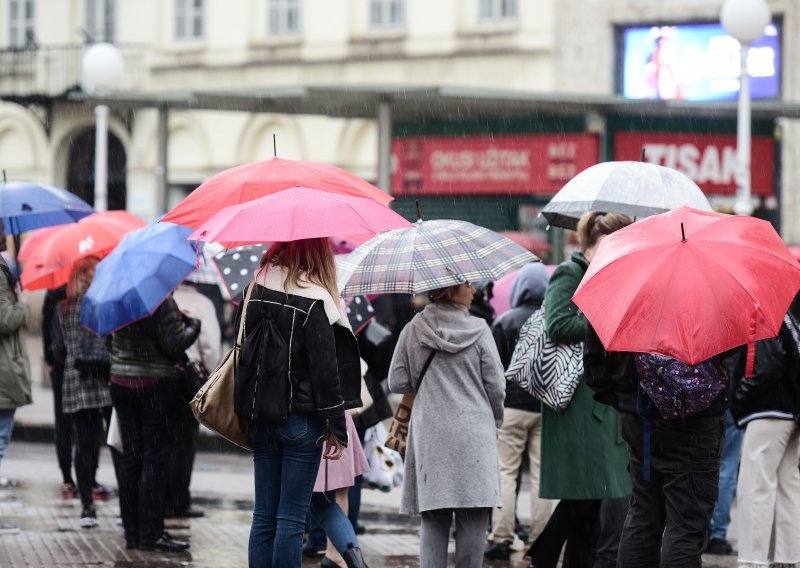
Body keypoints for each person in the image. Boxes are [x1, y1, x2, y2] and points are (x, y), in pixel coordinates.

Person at [242, 238, 362, 567]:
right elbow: (327, 373)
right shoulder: (316, 297)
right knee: (291, 521)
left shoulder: (256, 283)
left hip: (261, 414)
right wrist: (337, 428)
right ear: (317, 253)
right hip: (302, 421)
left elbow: (246, 351)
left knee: (263, 515)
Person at [527, 212, 632, 568]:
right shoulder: (569, 273)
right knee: (592, 492)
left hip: (601, 400)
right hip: (576, 402)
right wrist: (604, 315)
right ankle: (545, 551)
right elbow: (557, 324)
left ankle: (552, 555)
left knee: (592, 498)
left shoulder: (608, 277)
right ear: (598, 243)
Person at [584, 311, 730, 561]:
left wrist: (626, 399)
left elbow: (595, 366)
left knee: (644, 514)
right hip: (698, 422)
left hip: (640, 418)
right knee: (685, 523)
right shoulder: (712, 286)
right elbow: (731, 349)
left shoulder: (622, 285)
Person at [388, 279, 505, 568]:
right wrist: (495, 421)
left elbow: (397, 381)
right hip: (474, 436)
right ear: (451, 289)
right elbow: (497, 388)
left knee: (434, 519)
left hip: (431, 437)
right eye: (468, 285)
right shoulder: (479, 331)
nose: (475, 290)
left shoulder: (413, 330)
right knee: (474, 520)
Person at [110, 291, 201, 552]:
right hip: (154, 385)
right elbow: (173, 344)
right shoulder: (161, 299)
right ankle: (150, 533)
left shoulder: (118, 298)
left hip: (121, 381)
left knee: (130, 458)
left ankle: (132, 534)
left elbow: (109, 341)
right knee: (154, 459)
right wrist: (193, 325)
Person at [485, 262, 552, 561]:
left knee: (506, 472)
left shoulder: (505, 321)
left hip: (510, 408)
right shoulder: (552, 320)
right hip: (547, 408)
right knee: (541, 475)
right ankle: (540, 538)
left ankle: (501, 536)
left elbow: (495, 369)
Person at [731, 310, 800, 567]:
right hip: (790, 410)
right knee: (788, 486)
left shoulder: (768, 314)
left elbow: (768, 365)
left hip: (768, 409)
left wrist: (739, 397)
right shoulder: (790, 316)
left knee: (755, 488)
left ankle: (752, 561)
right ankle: (788, 557)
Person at [59, 256, 118, 528]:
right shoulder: (100, 304)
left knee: (85, 445)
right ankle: (126, 508)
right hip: (103, 377)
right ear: (87, 275)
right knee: (117, 442)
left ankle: (87, 506)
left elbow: (60, 346)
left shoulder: (65, 307)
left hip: (76, 378)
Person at [167, 279, 222, 519]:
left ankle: (161, 498)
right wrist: (212, 378)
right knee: (185, 442)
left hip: (164, 377)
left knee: (164, 440)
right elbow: (210, 348)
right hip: (190, 379)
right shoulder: (203, 304)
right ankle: (179, 500)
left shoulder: (163, 300)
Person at [0, 219, 31, 535]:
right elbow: (5, 319)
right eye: (0, 230)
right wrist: (22, 306)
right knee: (0, 440)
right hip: (4, 371)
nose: (6, 235)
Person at [313, 409, 371, 568]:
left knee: (333, 494)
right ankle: (335, 555)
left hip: (323, 415)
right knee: (336, 494)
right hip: (336, 413)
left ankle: (334, 554)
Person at [42, 284, 75, 498]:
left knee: (65, 423)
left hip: (62, 363)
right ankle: (77, 478)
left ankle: (68, 478)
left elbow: (46, 324)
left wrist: (50, 358)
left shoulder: (54, 289)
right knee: (82, 425)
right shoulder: (61, 291)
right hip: (75, 364)